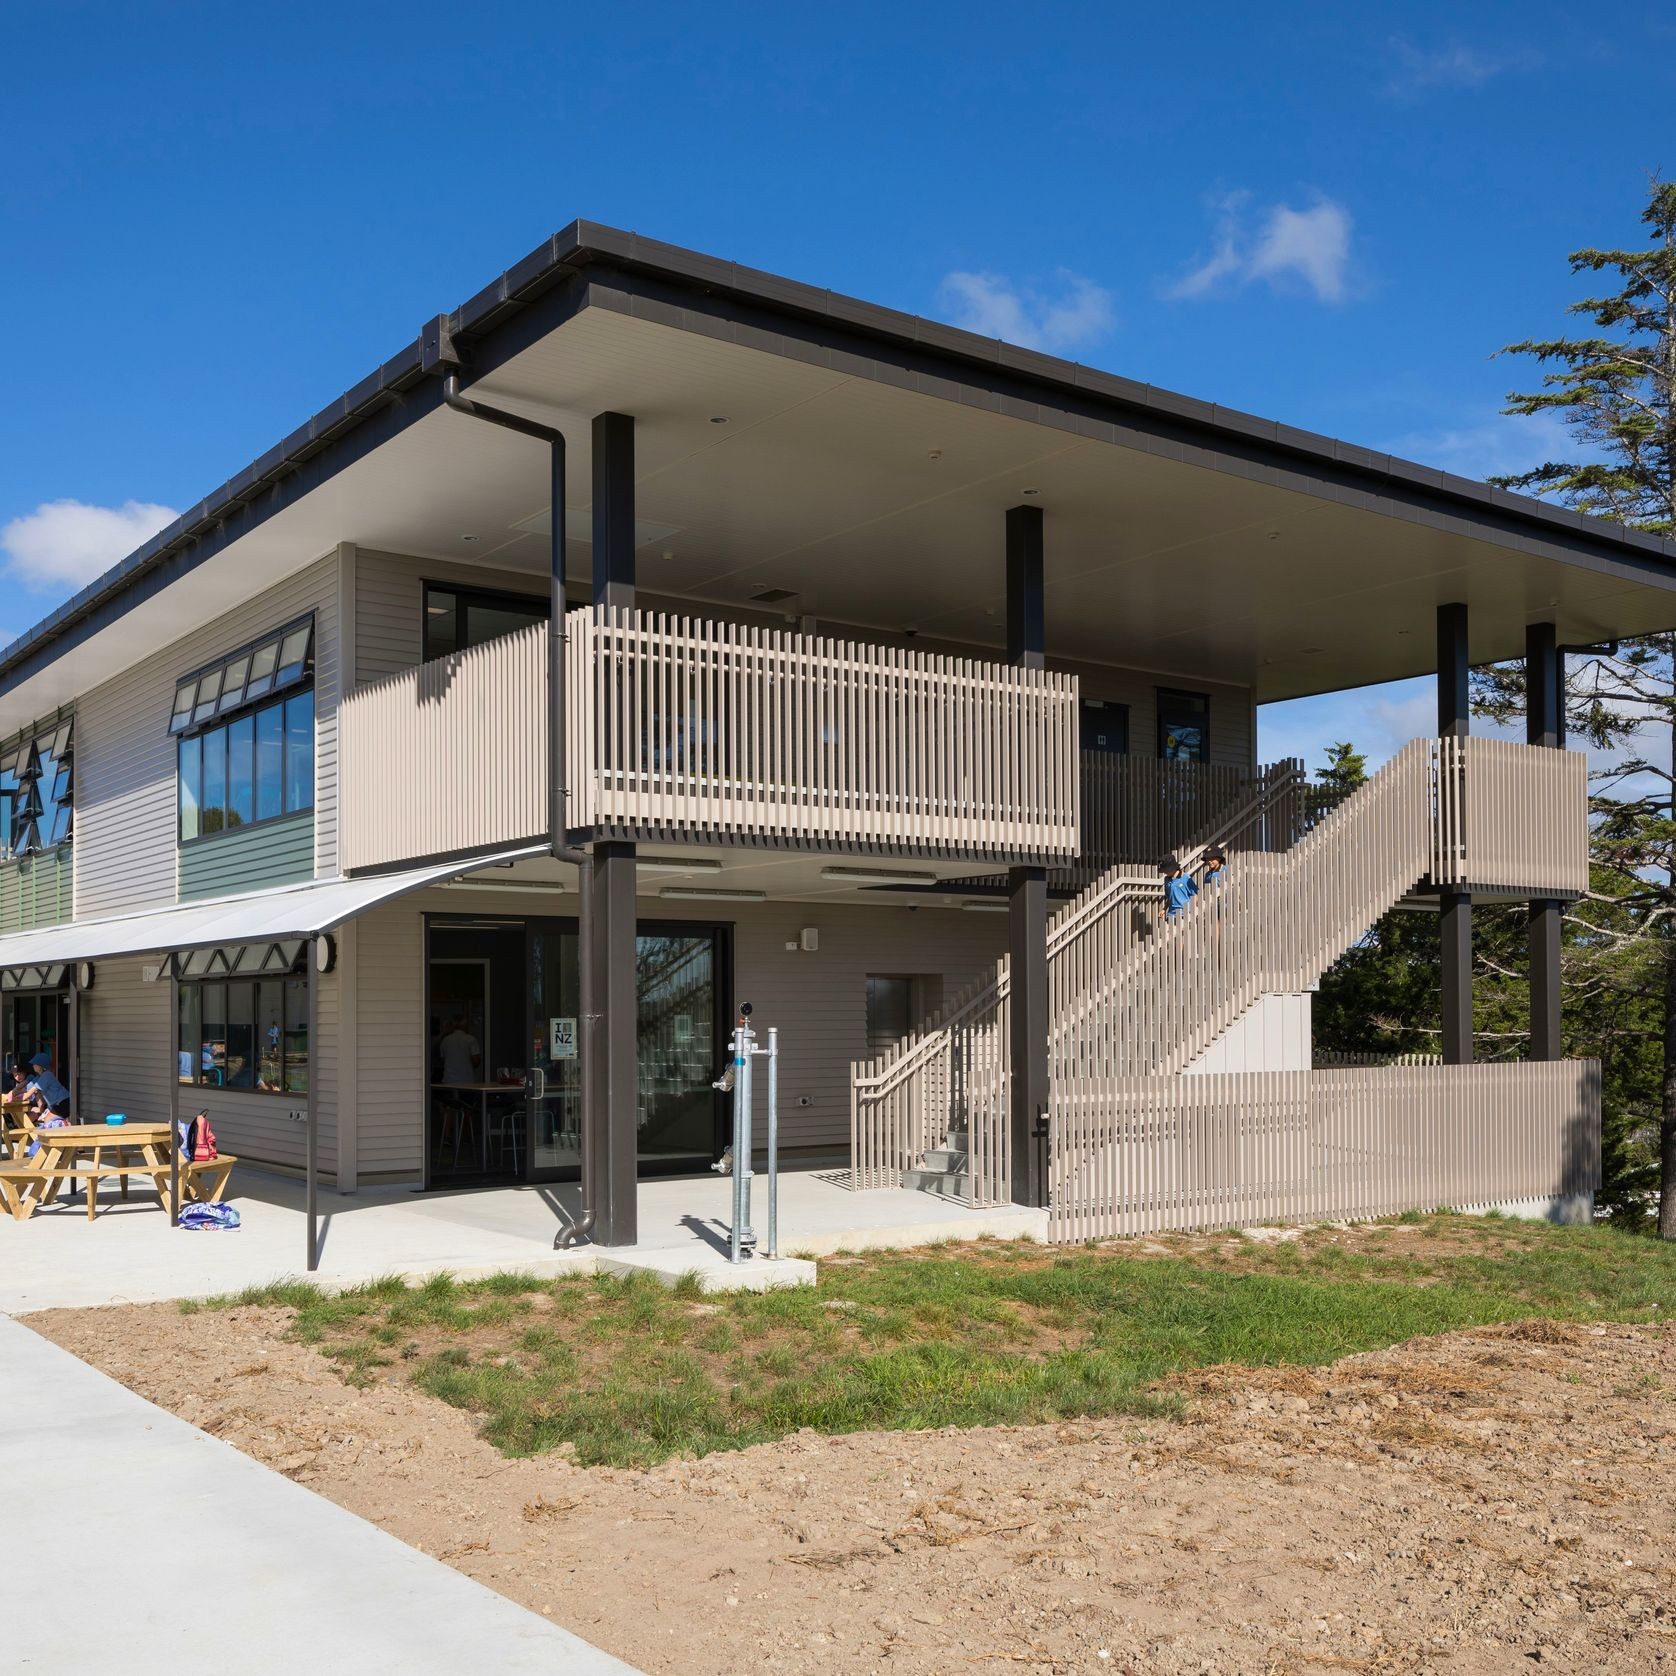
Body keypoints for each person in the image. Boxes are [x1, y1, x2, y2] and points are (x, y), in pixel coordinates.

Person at [24, 1052, 71, 1119]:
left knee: (48, 1122)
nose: (33, 1065)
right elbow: (29, 1090)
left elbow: (31, 1091)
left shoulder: (47, 1075)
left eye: (35, 1064)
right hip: (57, 1105)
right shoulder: (40, 1077)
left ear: (41, 1066)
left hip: (62, 1103)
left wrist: (19, 1099)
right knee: (48, 1122)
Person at [438, 1015, 483, 1085]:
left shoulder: (445, 1040)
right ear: (465, 1024)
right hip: (467, 1080)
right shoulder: (470, 1039)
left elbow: (443, 1061)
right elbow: (476, 1061)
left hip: (449, 1080)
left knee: (449, 1096)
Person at [1162, 856, 1198, 920]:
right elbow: (1170, 897)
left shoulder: (1186, 878)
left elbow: (1195, 895)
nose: (1164, 872)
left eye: (1166, 870)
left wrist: (1192, 911)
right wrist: (1164, 909)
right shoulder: (1166, 880)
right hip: (1171, 914)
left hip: (1185, 914)